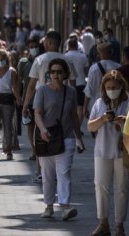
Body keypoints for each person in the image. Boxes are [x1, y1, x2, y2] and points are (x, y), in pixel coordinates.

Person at [33, 58, 84, 220]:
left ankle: (65, 207)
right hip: (46, 138)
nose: (55, 74)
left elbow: (74, 116)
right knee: (48, 175)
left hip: (66, 137)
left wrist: (79, 138)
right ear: (49, 74)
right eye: (52, 72)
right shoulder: (42, 91)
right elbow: (37, 113)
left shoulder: (71, 92)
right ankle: (48, 206)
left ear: (65, 74)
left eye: (59, 72)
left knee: (64, 172)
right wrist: (42, 129)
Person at [88, 70, 129, 236]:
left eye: (114, 87)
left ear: (121, 86)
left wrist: (124, 121)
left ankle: (119, 226)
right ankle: (103, 223)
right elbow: (90, 126)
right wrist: (102, 120)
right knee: (100, 186)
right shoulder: (100, 103)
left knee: (122, 189)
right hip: (102, 150)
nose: (111, 90)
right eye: (108, 87)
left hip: (124, 151)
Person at [17, 36, 41, 162]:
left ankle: (40, 150)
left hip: (42, 100)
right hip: (28, 99)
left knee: (40, 125)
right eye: (31, 47)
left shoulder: (43, 61)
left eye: (35, 46)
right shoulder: (23, 63)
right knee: (30, 126)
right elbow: (20, 80)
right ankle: (34, 150)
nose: (33, 49)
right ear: (28, 48)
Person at [84, 43, 120, 119]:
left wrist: (85, 107)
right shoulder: (118, 67)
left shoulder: (93, 69)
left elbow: (89, 90)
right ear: (111, 52)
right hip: (116, 105)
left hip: (97, 106)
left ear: (99, 54)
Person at [65, 38, 89, 128]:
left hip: (68, 84)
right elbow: (87, 70)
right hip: (81, 84)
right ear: (77, 46)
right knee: (80, 107)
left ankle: (69, 126)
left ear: (68, 46)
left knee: (68, 106)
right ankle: (77, 127)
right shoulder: (83, 56)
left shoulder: (65, 56)